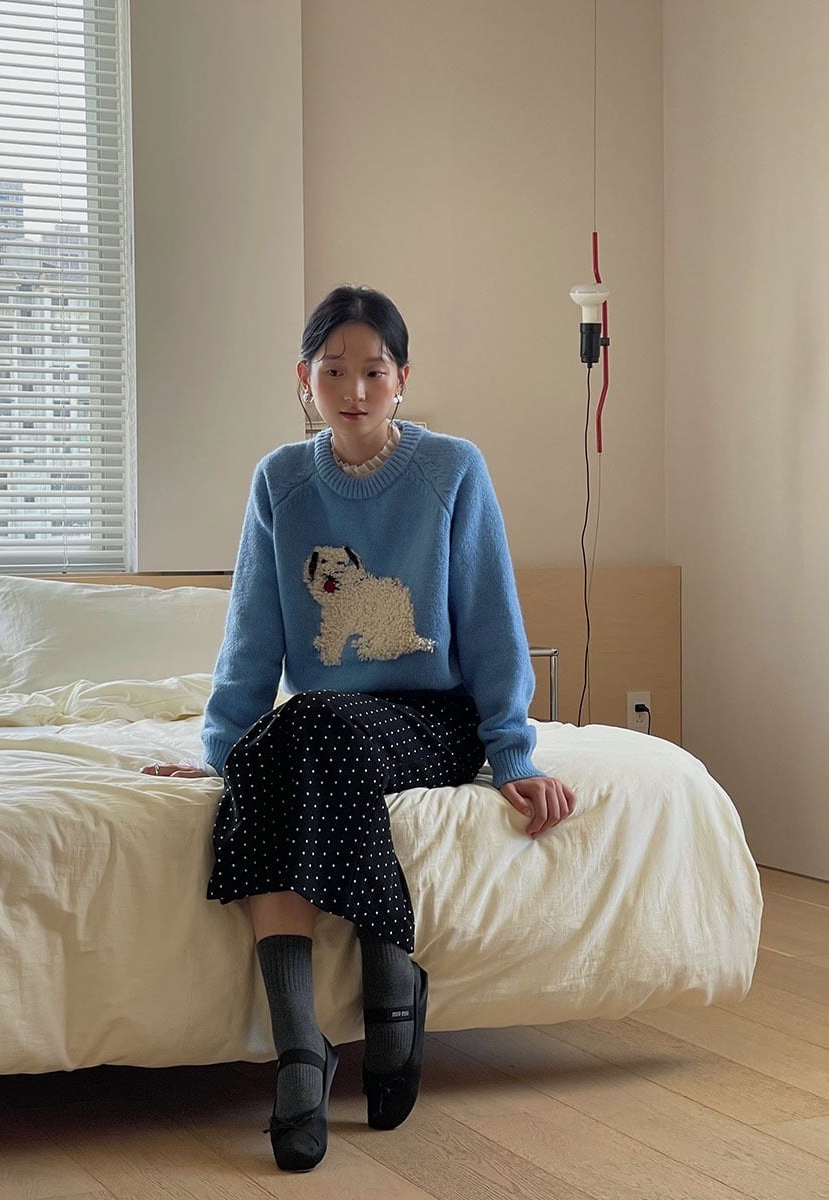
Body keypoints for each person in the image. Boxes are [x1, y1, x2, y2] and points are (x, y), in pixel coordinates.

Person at [144, 284, 576, 1172]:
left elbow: (491, 620)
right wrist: (223, 752)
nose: (354, 389)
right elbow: (254, 631)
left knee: (302, 730)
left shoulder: (452, 469)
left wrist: (512, 755)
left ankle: (375, 984)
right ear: (303, 379)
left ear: (402, 378)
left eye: (374, 371)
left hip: (435, 718)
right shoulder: (281, 480)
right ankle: (306, 1041)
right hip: (327, 725)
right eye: (333, 371)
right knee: (283, 742)